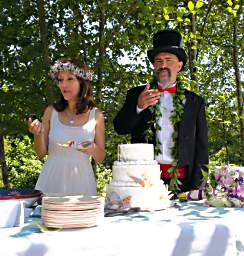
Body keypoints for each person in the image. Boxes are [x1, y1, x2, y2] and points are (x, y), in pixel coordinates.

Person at [113, 30, 208, 193]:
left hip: (183, 182)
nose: (163, 65)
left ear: (179, 65)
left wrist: (199, 186)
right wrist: (139, 107)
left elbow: (201, 147)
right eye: (158, 61)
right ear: (153, 65)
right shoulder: (136, 94)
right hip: (143, 180)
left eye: (168, 60)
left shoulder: (195, 102)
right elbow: (120, 127)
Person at [28, 58, 105, 196]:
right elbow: (40, 154)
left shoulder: (96, 115)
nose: (64, 84)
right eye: (60, 80)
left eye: (70, 79)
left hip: (82, 184)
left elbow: (100, 157)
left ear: (82, 82)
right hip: (51, 182)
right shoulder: (51, 111)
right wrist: (37, 133)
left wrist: (92, 148)